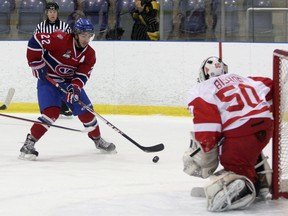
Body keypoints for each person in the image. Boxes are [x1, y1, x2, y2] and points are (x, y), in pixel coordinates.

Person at [182, 57, 273, 212]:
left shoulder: (201, 89)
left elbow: (208, 122)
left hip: (242, 130)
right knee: (245, 151)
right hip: (265, 125)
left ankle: (249, 185)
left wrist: (207, 146)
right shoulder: (243, 79)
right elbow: (271, 86)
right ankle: (263, 176)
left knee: (232, 160)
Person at [19, 18, 116, 161]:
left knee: (88, 113)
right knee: (50, 113)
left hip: (69, 83)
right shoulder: (60, 39)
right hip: (48, 81)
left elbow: (83, 74)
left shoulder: (90, 54)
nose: (86, 39)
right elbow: (35, 40)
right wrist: (36, 63)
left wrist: (75, 89)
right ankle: (29, 143)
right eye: (83, 35)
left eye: (89, 36)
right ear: (75, 34)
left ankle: (98, 140)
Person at [34, 1, 73, 117]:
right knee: (47, 83)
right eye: (50, 11)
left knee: (62, 82)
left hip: (60, 61)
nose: (52, 14)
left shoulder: (64, 27)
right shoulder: (40, 27)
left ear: (57, 12)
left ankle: (64, 106)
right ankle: (49, 107)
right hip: (46, 60)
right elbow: (35, 43)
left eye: (54, 11)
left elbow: (70, 44)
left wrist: (67, 57)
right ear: (46, 13)